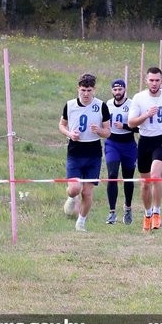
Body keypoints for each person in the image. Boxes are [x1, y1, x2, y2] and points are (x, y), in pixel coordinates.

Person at [127, 67, 162, 232]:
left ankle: (157, 212)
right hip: (144, 142)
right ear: (146, 80)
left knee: (156, 177)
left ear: (161, 81)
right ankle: (147, 213)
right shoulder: (139, 98)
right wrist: (146, 115)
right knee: (145, 183)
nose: (154, 83)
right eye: (151, 80)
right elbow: (131, 123)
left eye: (157, 80)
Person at [60, 73, 111, 231]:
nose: (86, 93)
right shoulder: (69, 105)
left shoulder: (101, 106)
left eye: (89, 90)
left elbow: (108, 132)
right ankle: (70, 197)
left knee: (87, 192)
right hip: (75, 151)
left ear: (94, 90)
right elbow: (61, 125)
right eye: (83, 90)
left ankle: (81, 222)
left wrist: (99, 131)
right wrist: (70, 134)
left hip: (93, 152)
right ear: (78, 89)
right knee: (75, 188)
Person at [104, 79, 138, 225]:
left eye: (120, 89)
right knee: (112, 175)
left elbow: (138, 128)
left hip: (128, 144)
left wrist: (124, 125)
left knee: (128, 177)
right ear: (112, 91)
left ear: (125, 90)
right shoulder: (107, 104)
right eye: (115, 90)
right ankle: (112, 212)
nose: (118, 92)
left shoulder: (132, 105)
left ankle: (128, 208)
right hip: (112, 143)